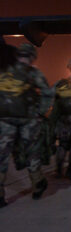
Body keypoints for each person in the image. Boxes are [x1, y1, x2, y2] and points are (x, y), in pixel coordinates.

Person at [0, 43, 53, 206]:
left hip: (5, 120)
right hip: (27, 121)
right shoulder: (33, 73)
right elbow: (47, 92)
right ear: (31, 57)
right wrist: (40, 112)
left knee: (2, 157)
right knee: (32, 153)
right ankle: (37, 185)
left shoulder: (4, 70)